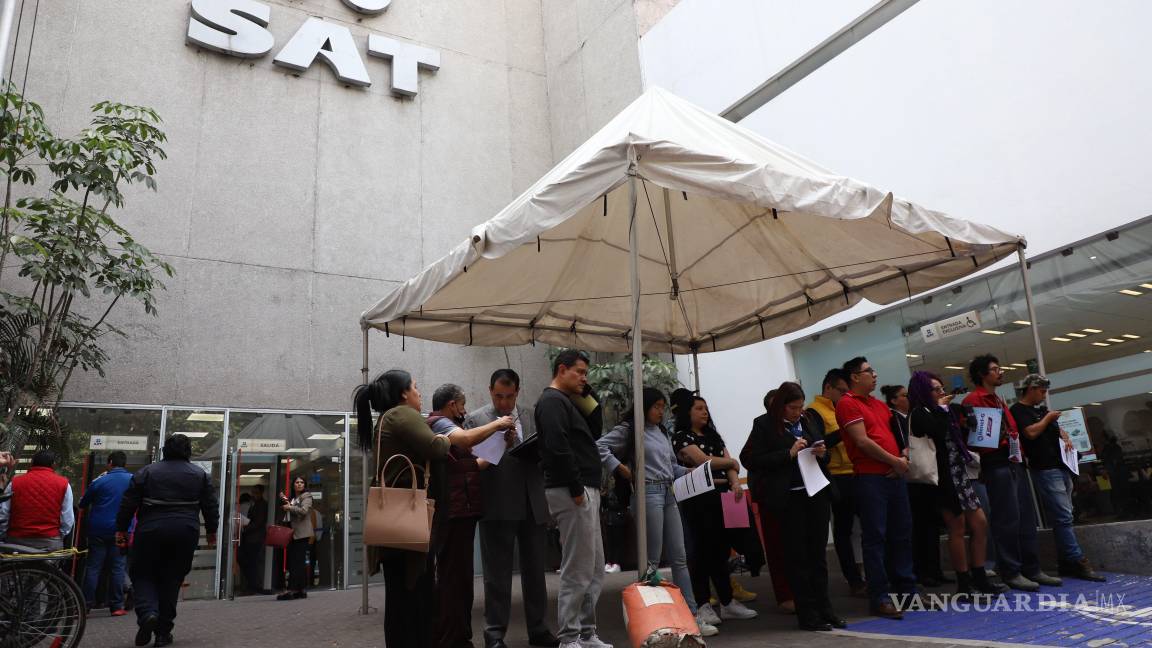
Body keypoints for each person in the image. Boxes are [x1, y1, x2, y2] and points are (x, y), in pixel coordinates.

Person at [354, 370, 511, 648]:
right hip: (408, 520)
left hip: (402, 519)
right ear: (403, 393)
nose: (419, 392)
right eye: (415, 387)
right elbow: (437, 448)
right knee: (413, 596)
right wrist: (454, 437)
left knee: (407, 597)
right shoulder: (401, 415)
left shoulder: (391, 418)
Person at [598, 388, 716, 636]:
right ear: (644, 407)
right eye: (657, 406)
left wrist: (693, 473)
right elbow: (600, 447)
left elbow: (671, 466)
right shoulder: (630, 429)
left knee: (679, 557)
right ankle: (654, 621)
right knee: (650, 561)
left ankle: (692, 616)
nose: (661, 411)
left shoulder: (661, 431)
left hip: (668, 493)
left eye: (663, 406)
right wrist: (621, 468)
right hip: (647, 493)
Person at [464, 369, 558, 648]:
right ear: (490, 391)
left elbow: (547, 455)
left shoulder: (532, 415)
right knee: (497, 575)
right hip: (497, 503)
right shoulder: (477, 419)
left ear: (518, 392)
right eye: (498, 396)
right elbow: (469, 465)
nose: (504, 403)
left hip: (532, 502)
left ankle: (539, 630)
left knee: (535, 573)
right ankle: (494, 634)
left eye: (509, 396)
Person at [742, 382, 844, 631]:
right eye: (792, 407)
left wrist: (821, 452)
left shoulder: (808, 419)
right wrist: (787, 454)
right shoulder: (764, 425)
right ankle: (808, 615)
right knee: (797, 558)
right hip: (789, 499)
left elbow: (825, 454)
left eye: (800, 407)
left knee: (818, 556)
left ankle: (826, 610)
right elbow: (750, 459)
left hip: (816, 493)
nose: (797, 412)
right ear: (781, 405)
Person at [426, 383, 516, 648]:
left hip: (462, 511)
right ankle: (450, 638)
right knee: (453, 578)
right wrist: (498, 425)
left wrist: (500, 443)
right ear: (453, 404)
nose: (464, 410)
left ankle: (458, 636)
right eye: (463, 404)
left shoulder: (448, 427)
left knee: (460, 577)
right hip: (452, 512)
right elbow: (466, 441)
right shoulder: (440, 423)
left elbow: (474, 464)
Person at [962, 354, 1061, 592]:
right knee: (1007, 519)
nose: (1000, 372)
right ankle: (1011, 570)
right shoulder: (973, 400)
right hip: (996, 464)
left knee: (1026, 517)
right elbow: (980, 439)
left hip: (1014, 462)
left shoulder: (998, 399)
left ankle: (1031, 567)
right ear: (982, 375)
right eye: (995, 369)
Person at [907, 372, 1007, 597]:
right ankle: (964, 583)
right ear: (923, 392)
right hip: (942, 479)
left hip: (960, 474)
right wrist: (942, 411)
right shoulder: (920, 413)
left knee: (980, 523)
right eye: (936, 389)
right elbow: (937, 431)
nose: (942, 392)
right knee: (957, 528)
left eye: (942, 388)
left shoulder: (947, 411)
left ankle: (979, 575)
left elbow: (957, 438)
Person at [536, 349, 610, 648]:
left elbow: (594, 429)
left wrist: (586, 391)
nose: (584, 378)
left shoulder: (567, 401)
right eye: (579, 372)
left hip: (582, 488)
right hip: (573, 490)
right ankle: (569, 637)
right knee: (578, 567)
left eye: (586, 373)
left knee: (592, 566)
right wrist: (577, 489)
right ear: (561, 369)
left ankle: (586, 633)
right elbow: (557, 447)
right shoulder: (552, 401)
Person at [116, 434, 218, 648]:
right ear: (188, 451)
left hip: (150, 529)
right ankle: (163, 633)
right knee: (172, 579)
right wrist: (211, 531)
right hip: (185, 530)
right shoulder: (200, 475)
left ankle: (147, 614)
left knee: (142, 573)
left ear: (164, 450)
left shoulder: (147, 472)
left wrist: (121, 529)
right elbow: (210, 505)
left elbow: (128, 503)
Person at [835, 357, 915, 620]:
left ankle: (907, 591)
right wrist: (896, 462)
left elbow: (895, 438)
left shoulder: (879, 405)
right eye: (869, 371)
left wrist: (902, 457)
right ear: (855, 377)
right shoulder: (848, 403)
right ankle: (879, 597)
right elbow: (862, 441)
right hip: (870, 479)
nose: (875, 374)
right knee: (875, 538)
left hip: (893, 476)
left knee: (901, 534)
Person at [675, 394, 759, 630]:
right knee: (701, 552)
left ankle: (727, 601)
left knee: (721, 551)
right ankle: (702, 603)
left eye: (706, 408)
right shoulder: (682, 437)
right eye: (699, 408)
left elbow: (730, 462)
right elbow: (703, 461)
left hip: (723, 496)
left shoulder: (712, 435)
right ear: (687, 412)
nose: (704, 412)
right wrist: (729, 464)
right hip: (698, 497)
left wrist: (734, 482)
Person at [1010, 374, 1104, 582]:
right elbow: (1030, 433)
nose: (1044, 396)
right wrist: (1048, 419)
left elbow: (1055, 430)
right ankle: (1077, 560)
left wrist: (1066, 437)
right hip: (1044, 468)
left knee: (1066, 515)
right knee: (1063, 516)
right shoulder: (1018, 410)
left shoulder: (1042, 410)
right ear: (1031, 389)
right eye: (1041, 391)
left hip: (1060, 464)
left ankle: (1066, 561)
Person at [806, 369, 865, 595]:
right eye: (841, 390)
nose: (844, 394)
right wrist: (845, 430)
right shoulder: (814, 411)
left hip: (855, 470)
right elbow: (819, 444)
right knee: (843, 530)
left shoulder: (843, 407)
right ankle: (853, 579)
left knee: (866, 525)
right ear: (828, 388)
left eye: (846, 391)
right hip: (836, 475)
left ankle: (866, 573)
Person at [884, 383, 947, 588]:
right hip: (911, 476)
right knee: (919, 526)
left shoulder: (914, 415)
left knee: (931, 523)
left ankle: (935, 569)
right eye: (903, 396)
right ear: (893, 400)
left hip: (923, 473)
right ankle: (921, 570)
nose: (908, 398)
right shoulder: (894, 418)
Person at [80, 450, 133, 615]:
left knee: (94, 567)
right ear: (125, 464)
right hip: (121, 530)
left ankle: (86, 604)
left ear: (110, 463)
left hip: (98, 530)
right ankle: (117, 606)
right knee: (118, 567)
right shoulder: (133, 480)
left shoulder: (100, 481)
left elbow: (83, 503)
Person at [0, 449, 75, 552]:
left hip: (16, 542)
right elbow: (67, 519)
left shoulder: (15, 482)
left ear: (32, 463)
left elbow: (4, 513)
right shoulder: (64, 484)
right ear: (53, 464)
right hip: (49, 542)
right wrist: (58, 535)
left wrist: (4, 535)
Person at [276, 476, 314, 600]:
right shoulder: (293, 498)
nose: (299, 484)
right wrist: (286, 505)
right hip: (293, 534)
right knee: (296, 562)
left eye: (302, 482)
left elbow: (303, 511)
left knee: (296, 563)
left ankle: (292, 590)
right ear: (293, 485)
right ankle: (300, 590)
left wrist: (289, 507)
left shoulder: (306, 496)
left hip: (301, 534)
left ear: (305, 485)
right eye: (297, 482)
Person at [239, 484, 271, 595]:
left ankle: (255, 586)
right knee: (249, 562)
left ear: (261, 493)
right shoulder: (255, 504)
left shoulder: (262, 505)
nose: (253, 495)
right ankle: (252, 585)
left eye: (256, 493)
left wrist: (245, 527)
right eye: (253, 492)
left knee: (253, 563)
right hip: (251, 537)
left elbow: (259, 522)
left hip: (256, 538)